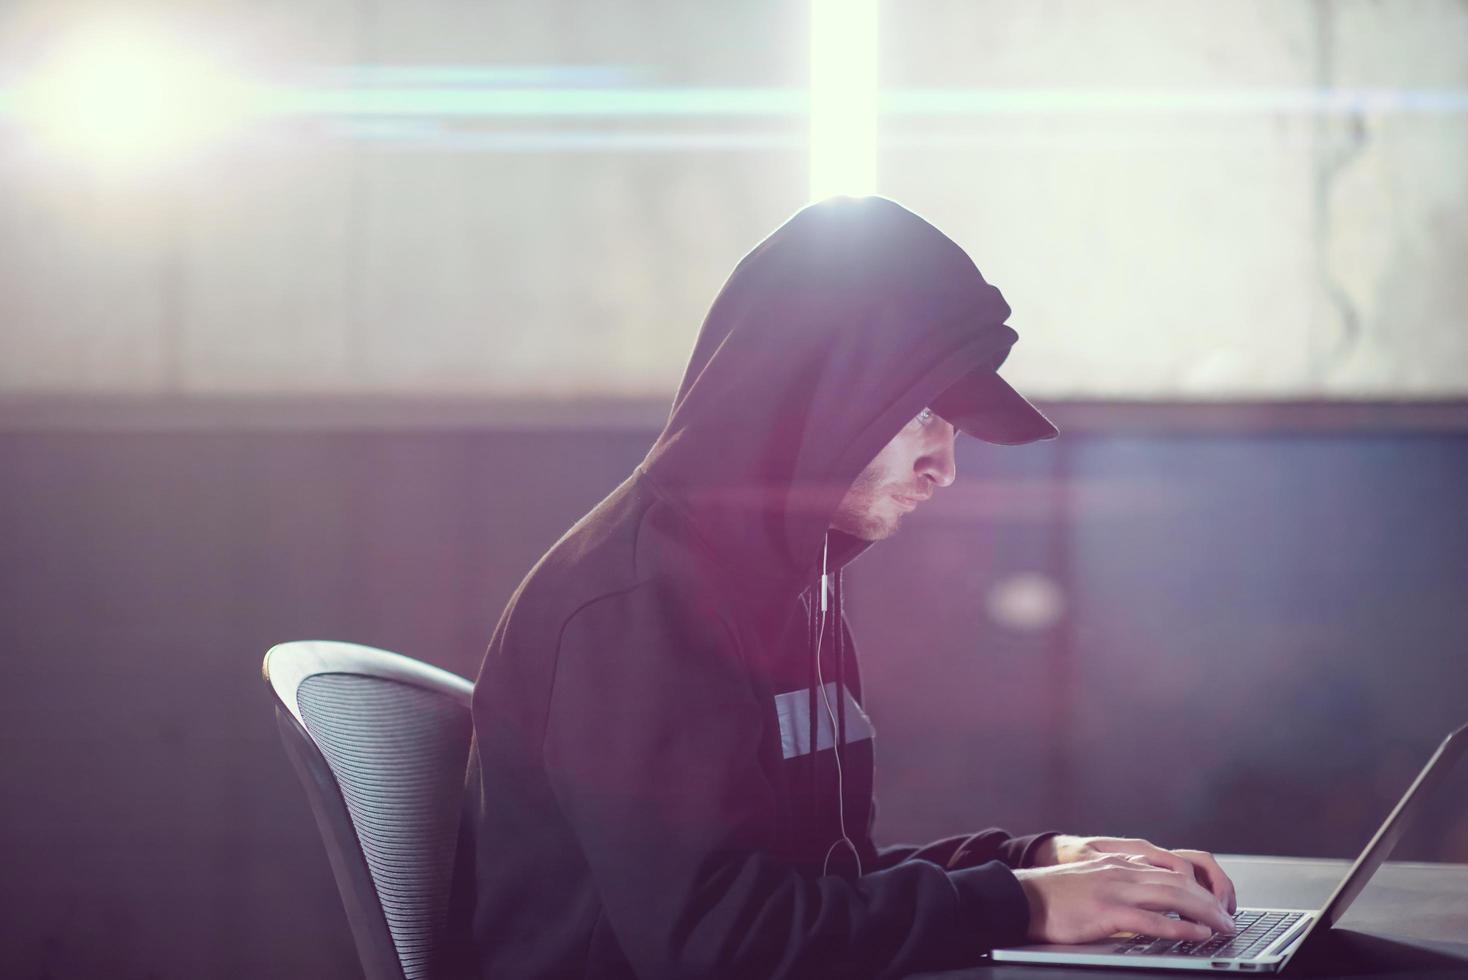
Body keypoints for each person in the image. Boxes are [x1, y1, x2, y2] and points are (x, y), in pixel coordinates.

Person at [450, 196, 1238, 979]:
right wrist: (1022, 902)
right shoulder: (637, 606)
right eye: (925, 412)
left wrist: (1044, 864)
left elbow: (823, 885)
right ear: (816, 391)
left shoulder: (784, 587)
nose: (946, 467)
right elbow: (720, 942)